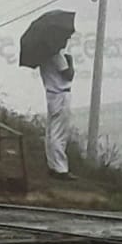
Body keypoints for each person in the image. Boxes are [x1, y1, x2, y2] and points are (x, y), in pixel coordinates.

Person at [39, 50, 76, 181]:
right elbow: (69, 75)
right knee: (59, 134)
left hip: (51, 95)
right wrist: (70, 62)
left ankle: (52, 166)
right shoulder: (57, 56)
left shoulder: (42, 57)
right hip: (61, 94)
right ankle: (61, 169)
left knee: (51, 131)